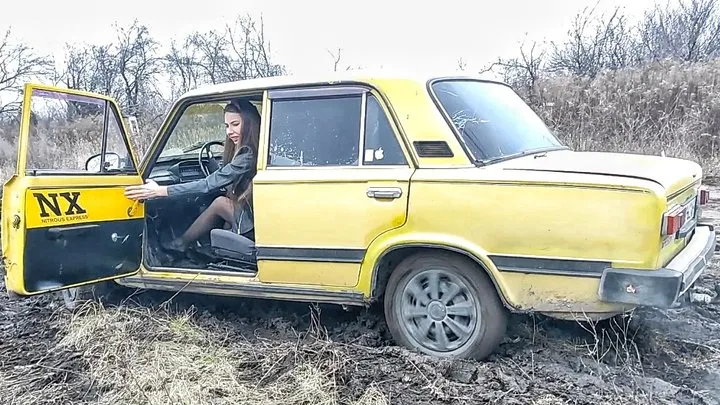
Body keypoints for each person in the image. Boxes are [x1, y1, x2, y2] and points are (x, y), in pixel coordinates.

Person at [124, 99, 260, 253]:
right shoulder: (251, 150)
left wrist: (160, 191)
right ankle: (215, 251)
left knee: (220, 203)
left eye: (235, 124)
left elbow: (207, 184)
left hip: (254, 225)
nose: (229, 132)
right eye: (227, 126)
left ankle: (180, 244)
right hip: (256, 217)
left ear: (249, 124)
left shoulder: (247, 154)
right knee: (225, 201)